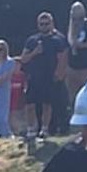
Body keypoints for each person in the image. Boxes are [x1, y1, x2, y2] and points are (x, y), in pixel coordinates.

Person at [21, 13, 70, 142]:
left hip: (49, 77)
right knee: (30, 104)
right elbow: (23, 59)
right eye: (41, 24)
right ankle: (31, 129)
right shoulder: (32, 40)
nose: (44, 26)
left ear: (52, 23)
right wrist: (34, 52)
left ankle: (45, 129)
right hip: (34, 77)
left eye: (46, 24)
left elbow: (62, 59)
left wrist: (59, 74)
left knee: (47, 104)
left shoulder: (58, 40)